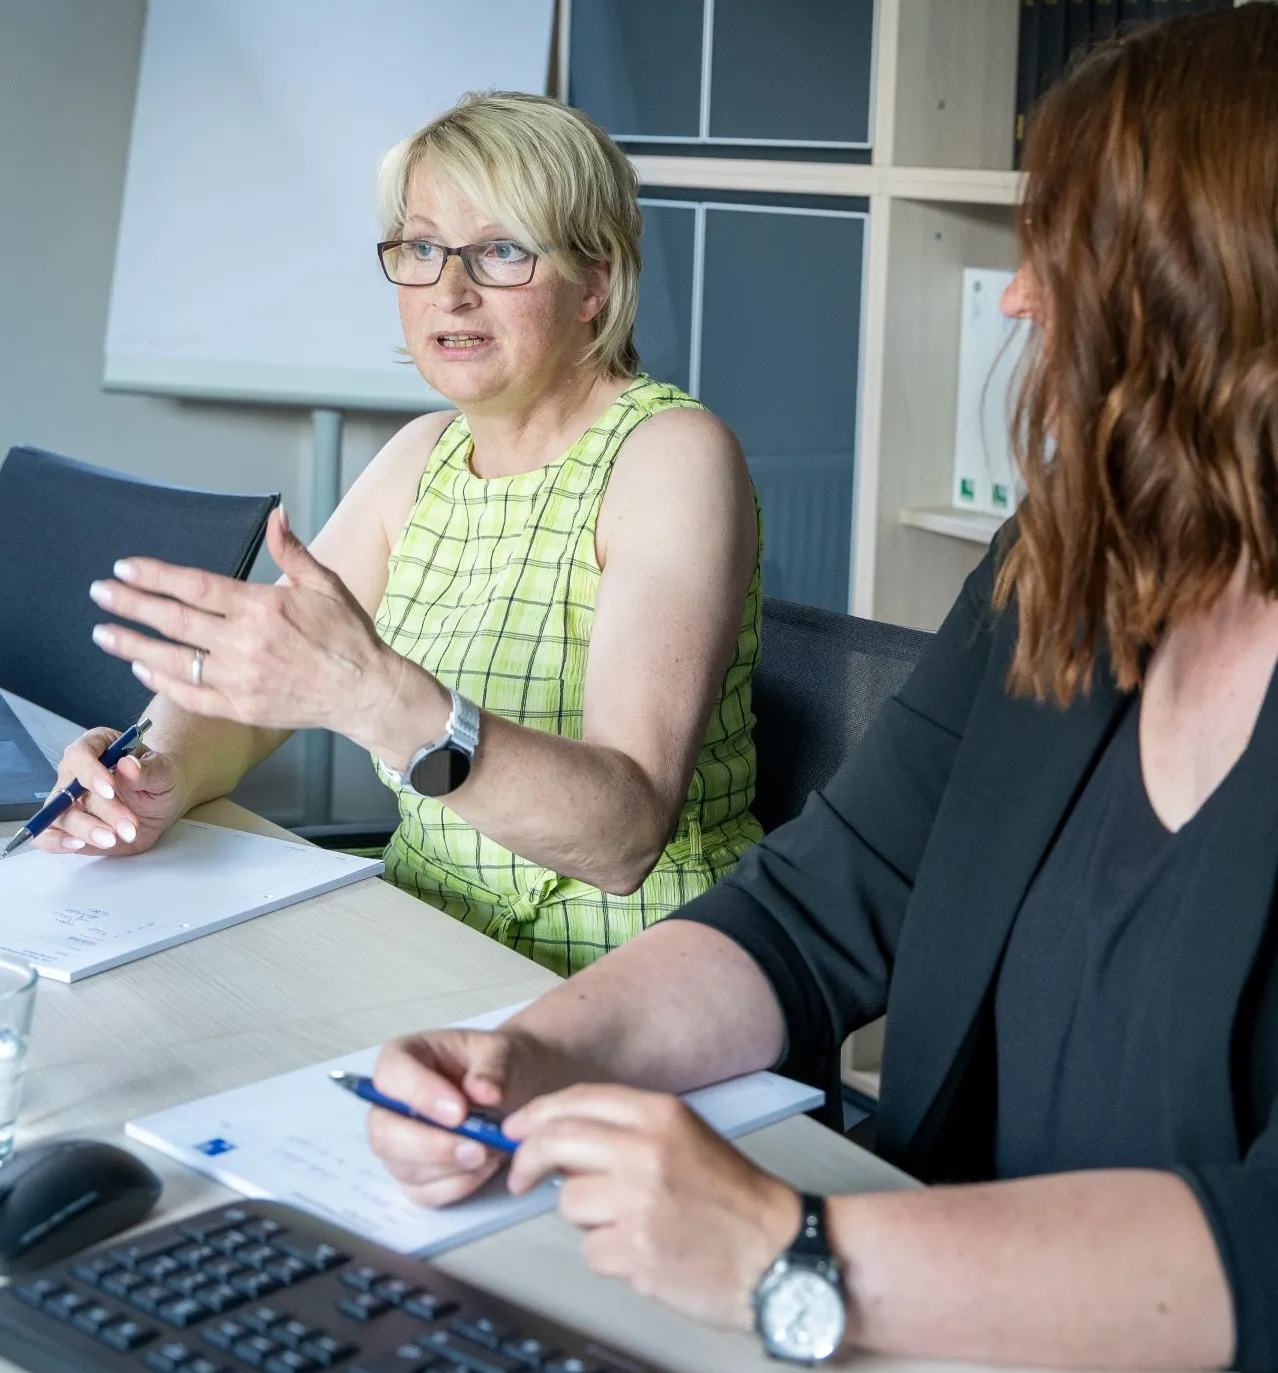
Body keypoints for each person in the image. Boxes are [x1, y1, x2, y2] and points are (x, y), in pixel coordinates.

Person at [361, 6, 1278, 1373]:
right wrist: (532, 1052)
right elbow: (816, 910)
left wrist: (795, 1251)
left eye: (1066, 248)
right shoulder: (1071, 559)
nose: (1020, 299)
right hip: (954, 1352)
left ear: (1229, 291)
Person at [42, 92, 764, 974]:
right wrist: (151, 772)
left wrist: (378, 701)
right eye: (422, 249)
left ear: (595, 284)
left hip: (626, 972)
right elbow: (251, 694)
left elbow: (623, 838)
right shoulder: (422, 454)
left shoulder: (671, 455)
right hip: (428, 938)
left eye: (501, 250)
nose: (449, 292)